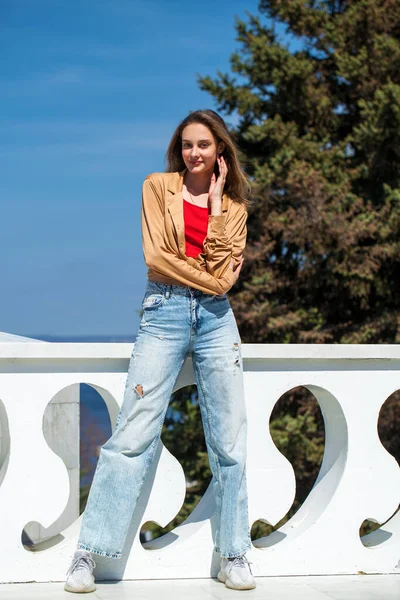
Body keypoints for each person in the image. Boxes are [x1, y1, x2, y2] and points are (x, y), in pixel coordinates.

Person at [64, 109, 256, 592]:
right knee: (131, 436)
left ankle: (234, 554)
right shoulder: (157, 187)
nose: (195, 152)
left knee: (229, 442)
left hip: (217, 322)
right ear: (179, 148)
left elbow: (225, 277)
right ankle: (87, 556)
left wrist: (213, 207)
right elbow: (156, 257)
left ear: (220, 153)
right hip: (163, 314)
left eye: (205, 145)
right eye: (188, 144)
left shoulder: (233, 208)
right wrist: (208, 278)